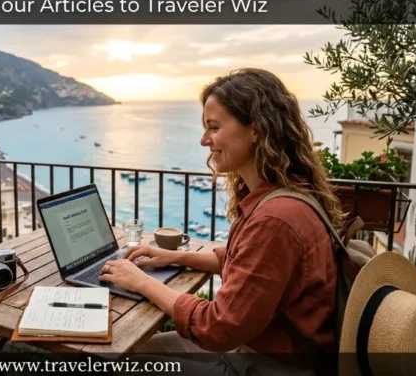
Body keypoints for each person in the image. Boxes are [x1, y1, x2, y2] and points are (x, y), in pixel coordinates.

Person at [100, 68, 345, 375]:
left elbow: (217, 327)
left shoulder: (275, 220)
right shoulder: (283, 197)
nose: (205, 140)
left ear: (256, 129)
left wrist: (140, 281)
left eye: (213, 127)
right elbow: (247, 265)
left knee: (118, 364)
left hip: (268, 365)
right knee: (134, 349)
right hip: (258, 349)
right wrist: (175, 256)